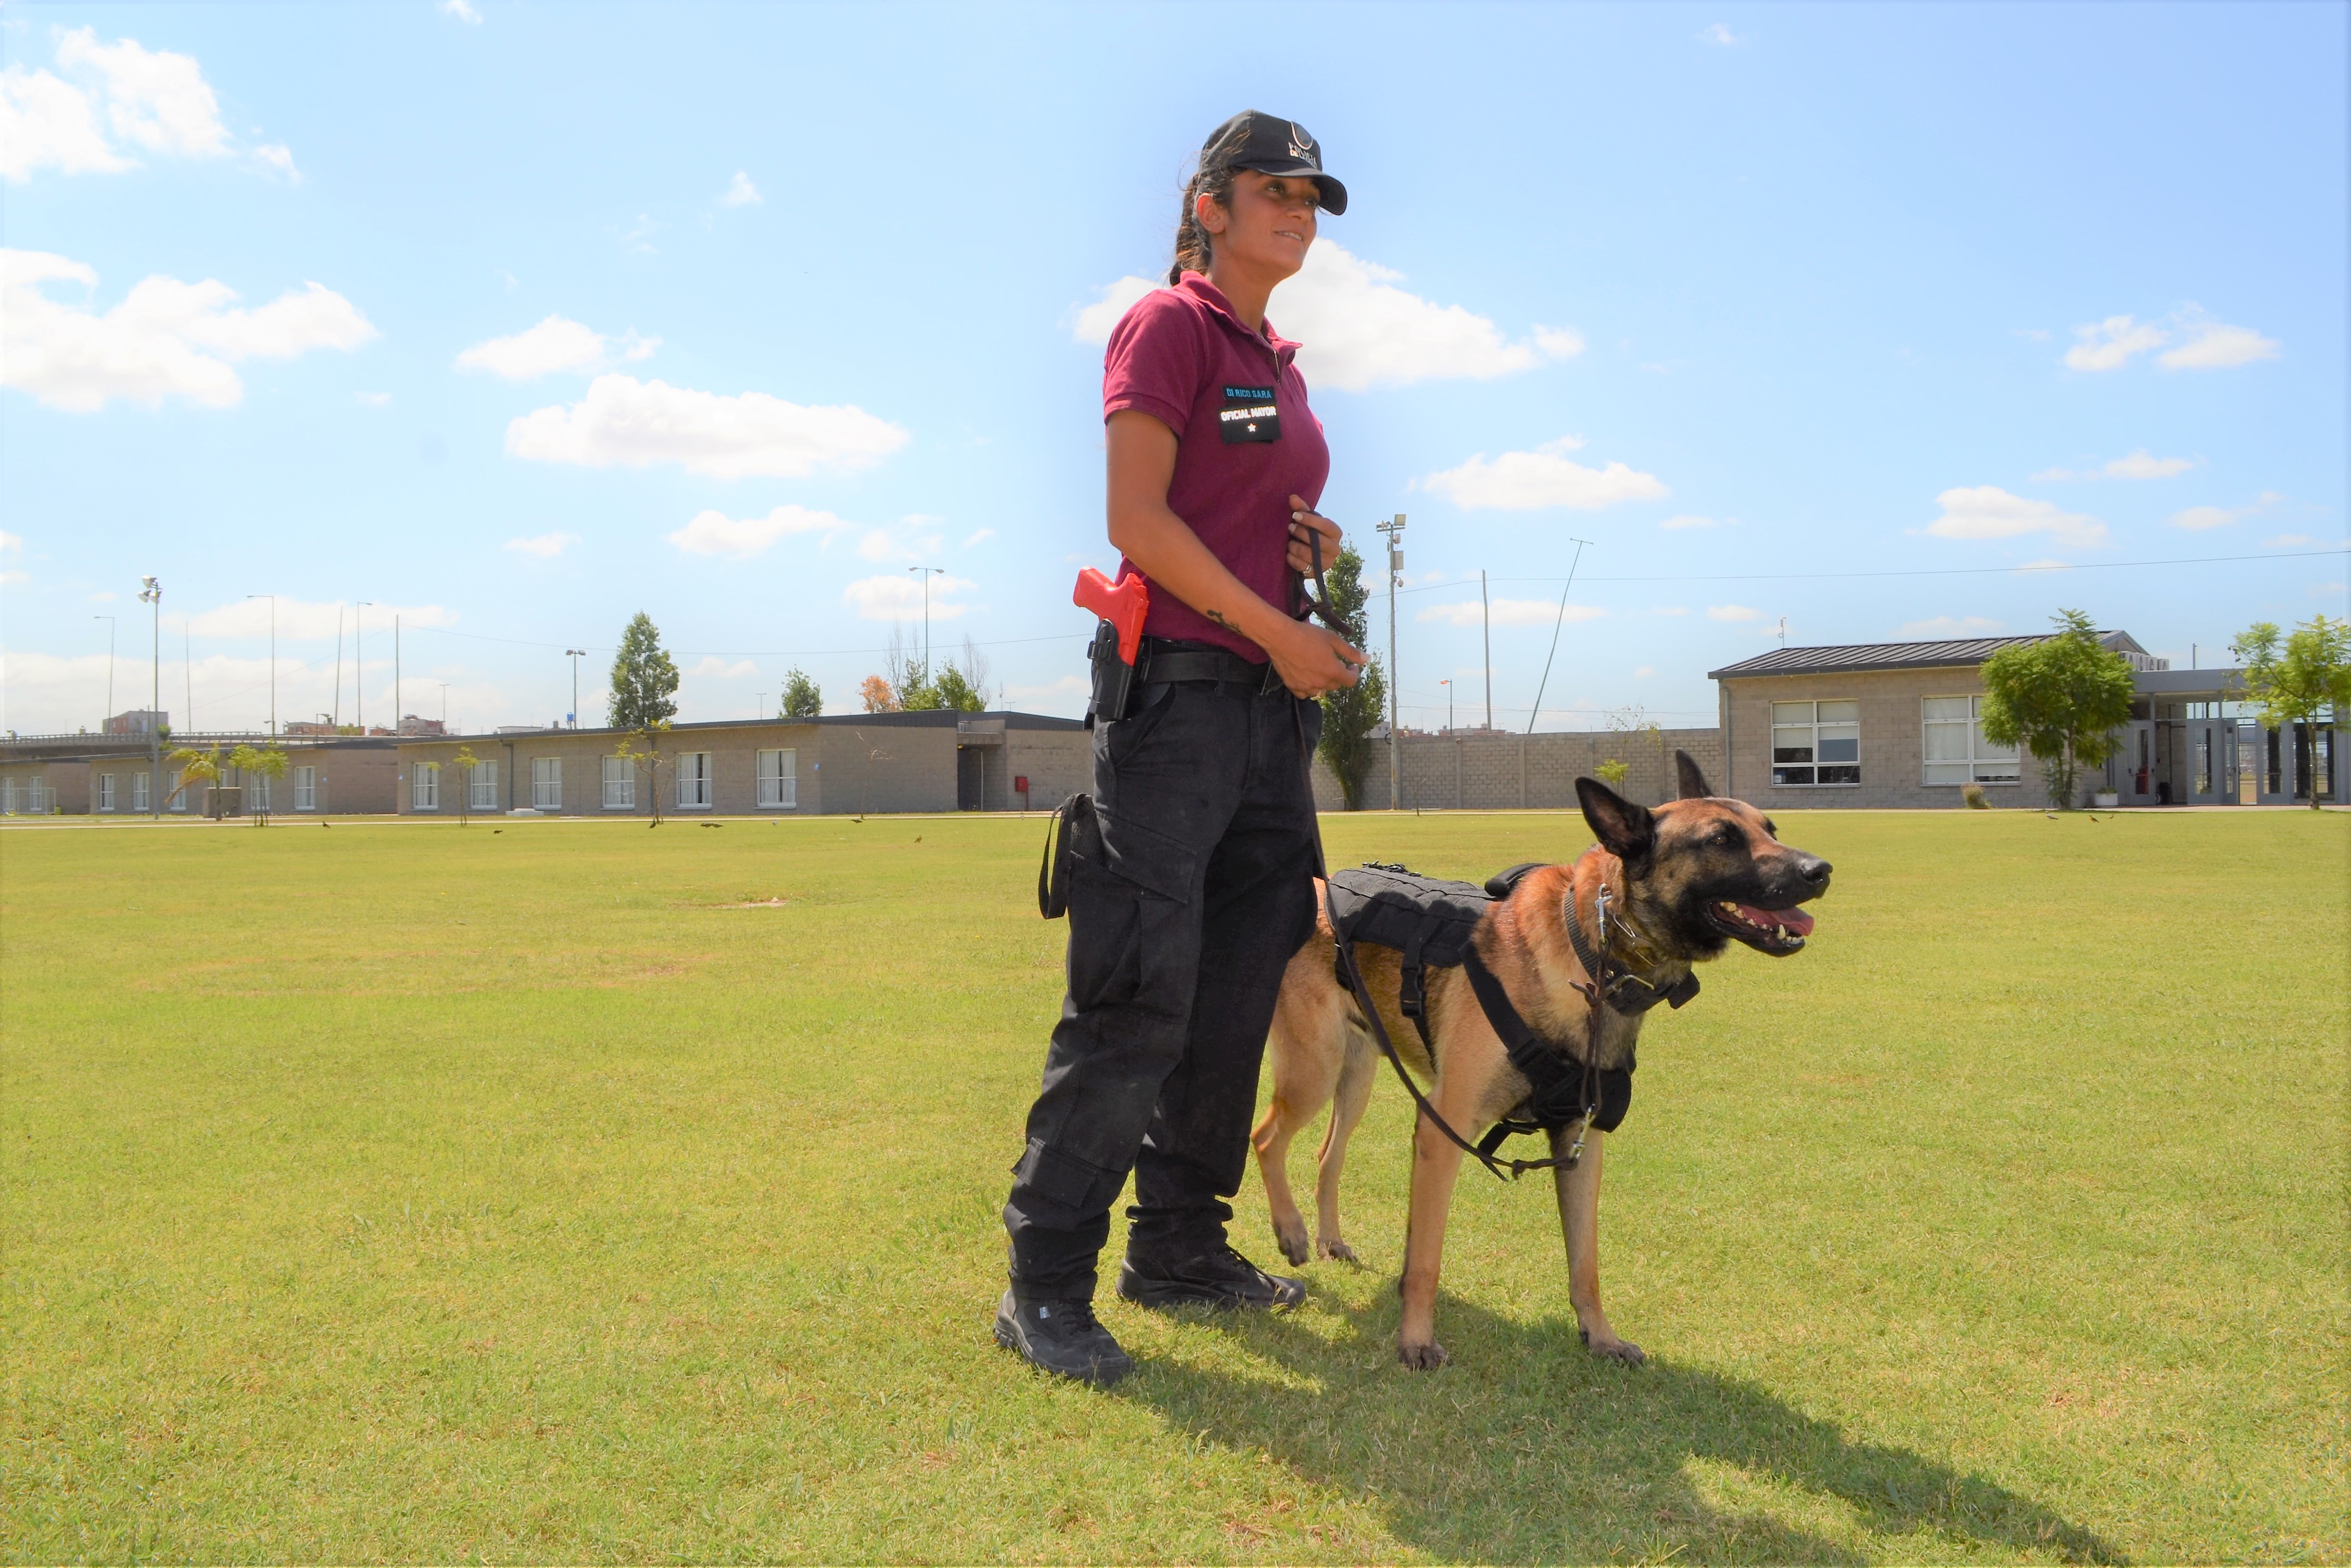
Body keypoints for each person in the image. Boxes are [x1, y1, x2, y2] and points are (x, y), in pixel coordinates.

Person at [995, 111, 1367, 1385]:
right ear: (1208, 203)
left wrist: (1306, 552)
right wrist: (1275, 628)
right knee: (1136, 993)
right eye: (1274, 188)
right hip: (1179, 710)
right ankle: (1041, 1284)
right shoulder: (1168, 326)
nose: (1297, 209)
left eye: (1312, 195)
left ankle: (1179, 1248)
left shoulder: (1282, 362)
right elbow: (1136, 521)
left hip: (1269, 717)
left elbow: (1242, 508)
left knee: (1233, 993)